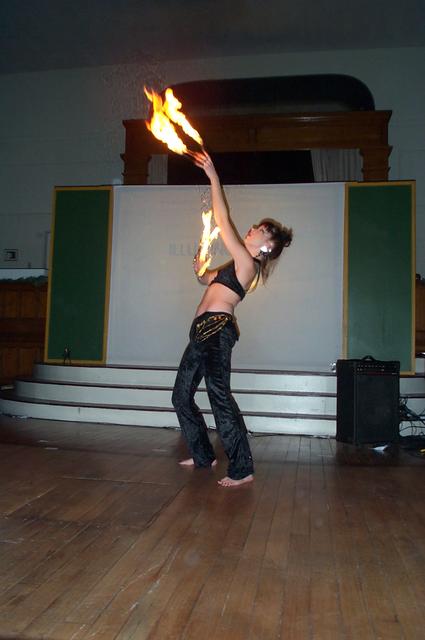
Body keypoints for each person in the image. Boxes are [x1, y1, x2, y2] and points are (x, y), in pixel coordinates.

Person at [172, 151, 292, 487]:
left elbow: (224, 224)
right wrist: (199, 266)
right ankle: (203, 454)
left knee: (219, 396)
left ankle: (242, 468)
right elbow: (205, 279)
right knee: (181, 396)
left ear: (266, 247)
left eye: (261, 230)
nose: (253, 229)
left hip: (217, 331)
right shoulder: (234, 265)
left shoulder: (249, 265)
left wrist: (213, 176)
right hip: (200, 332)